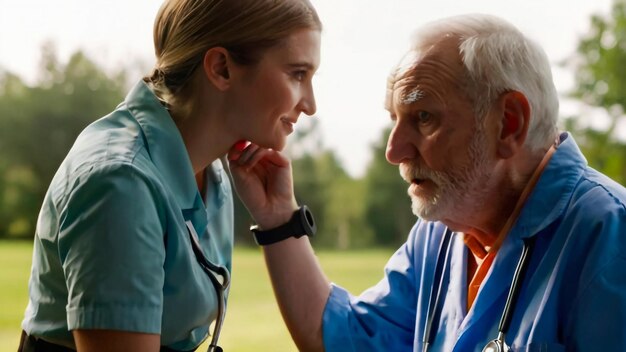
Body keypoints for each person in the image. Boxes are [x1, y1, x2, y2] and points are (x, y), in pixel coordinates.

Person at [228, 13, 626, 351]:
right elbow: (345, 340)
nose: (394, 151)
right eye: (394, 120)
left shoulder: (609, 238)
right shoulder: (440, 234)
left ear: (508, 124)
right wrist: (279, 217)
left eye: (423, 118)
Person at [20, 0, 320, 351]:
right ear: (222, 68)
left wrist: (280, 218)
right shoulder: (120, 184)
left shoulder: (215, 172)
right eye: (297, 74)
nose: (310, 104)